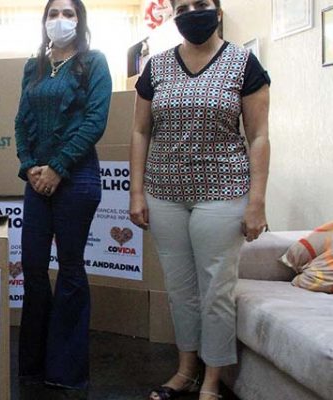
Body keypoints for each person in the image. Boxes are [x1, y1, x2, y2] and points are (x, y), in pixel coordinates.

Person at [129, 0, 271, 399]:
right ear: (173, 14)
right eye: (184, 6)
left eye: (201, 4)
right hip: (165, 193)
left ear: (218, 10)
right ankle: (186, 370)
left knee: (216, 291)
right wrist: (137, 191)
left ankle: (211, 380)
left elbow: (259, 135)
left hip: (224, 191)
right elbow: (140, 131)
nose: (194, 11)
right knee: (180, 289)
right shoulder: (154, 66)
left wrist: (256, 201)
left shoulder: (244, 64)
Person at [15, 0, 112, 395]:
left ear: (80, 20)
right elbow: (21, 121)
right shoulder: (32, 66)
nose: (60, 20)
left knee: (70, 268)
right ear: (44, 21)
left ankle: (66, 369)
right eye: (53, 14)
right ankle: (33, 366)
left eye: (68, 14)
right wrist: (29, 166)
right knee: (33, 268)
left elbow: (95, 121)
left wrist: (57, 167)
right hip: (36, 178)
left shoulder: (94, 62)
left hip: (77, 178)